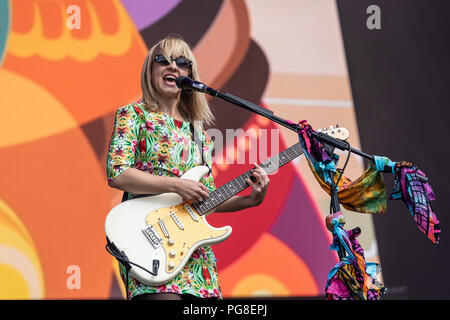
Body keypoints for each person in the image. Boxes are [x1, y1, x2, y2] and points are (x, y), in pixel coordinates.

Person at [106, 34, 270, 300]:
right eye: (163, 60)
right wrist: (176, 184)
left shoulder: (198, 133)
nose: (173, 67)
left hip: (196, 260)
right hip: (151, 245)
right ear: (151, 70)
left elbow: (208, 200)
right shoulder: (133, 115)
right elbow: (118, 173)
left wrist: (250, 200)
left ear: (190, 77)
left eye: (182, 63)